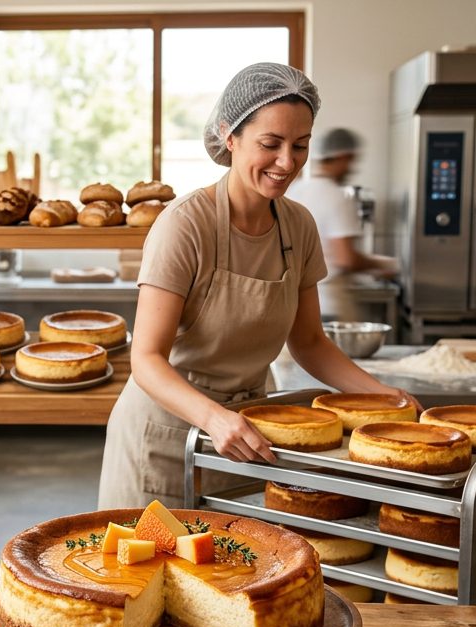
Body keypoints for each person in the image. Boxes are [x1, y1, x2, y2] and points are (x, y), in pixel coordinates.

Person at [97, 63, 416, 509]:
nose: (287, 163)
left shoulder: (298, 226)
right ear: (230, 136)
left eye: (300, 146)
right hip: (165, 438)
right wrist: (214, 419)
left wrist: (379, 395)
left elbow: (309, 342)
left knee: (234, 572)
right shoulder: (185, 226)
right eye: (271, 144)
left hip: (246, 435)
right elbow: (146, 359)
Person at [286, 127, 396, 321]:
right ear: (342, 157)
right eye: (350, 160)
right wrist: (382, 264)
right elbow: (346, 259)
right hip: (328, 305)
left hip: (294, 302)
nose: (351, 167)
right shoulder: (337, 196)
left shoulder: (295, 190)